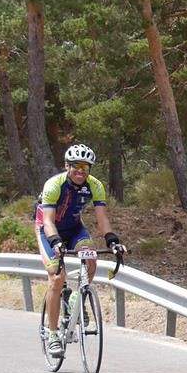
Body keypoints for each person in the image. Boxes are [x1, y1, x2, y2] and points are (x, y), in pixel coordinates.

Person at [35, 144, 125, 358]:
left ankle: (76, 298)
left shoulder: (95, 186)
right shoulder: (54, 184)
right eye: (76, 166)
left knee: (91, 257)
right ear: (67, 166)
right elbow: (47, 221)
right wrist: (56, 241)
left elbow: (102, 219)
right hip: (48, 230)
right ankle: (53, 333)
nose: (80, 171)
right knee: (57, 278)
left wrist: (112, 240)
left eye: (85, 167)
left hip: (75, 228)